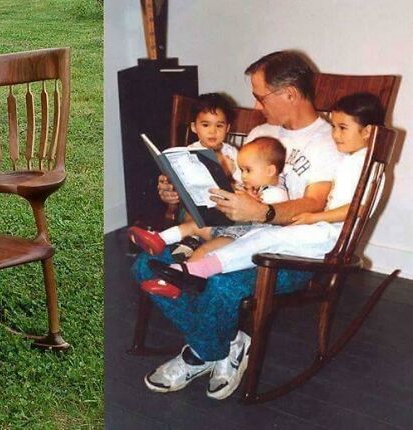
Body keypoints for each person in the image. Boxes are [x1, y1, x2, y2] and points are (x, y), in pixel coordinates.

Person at [140, 51, 345, 400]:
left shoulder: (328, 141)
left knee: (220, 286)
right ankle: (225, 344)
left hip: (285, 251)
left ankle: (197, 354)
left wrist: (261, 212)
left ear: (290, 94)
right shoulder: (263, 131)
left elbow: (314, 204)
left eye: (260, 95)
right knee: (145, 266)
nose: (255, 103)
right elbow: (234, 187)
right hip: (236, 235)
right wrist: (177, 194)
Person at [150, 92, 385, 289]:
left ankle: (197, 269)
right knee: (257, 236)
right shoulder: (352, 159)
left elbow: (360, 208)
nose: (335, 134)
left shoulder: (368, 165)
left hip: (331, 237)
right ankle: (191, 268)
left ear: (367, 131)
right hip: (322, 230)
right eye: (334, 126)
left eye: (343, 128)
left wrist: (314, 217)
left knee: (266, 238)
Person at [129, 136, 288, 271]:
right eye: (242, 170)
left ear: (269, 171)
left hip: (241, 238)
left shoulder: (276, 192)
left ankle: (180, 273)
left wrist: (251, 198)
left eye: (248, 170)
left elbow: (263, 213)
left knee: (206, 249)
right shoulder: (252, 186)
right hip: (228, 226)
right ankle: (158, 239)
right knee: (194, 225)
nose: (243, 176)